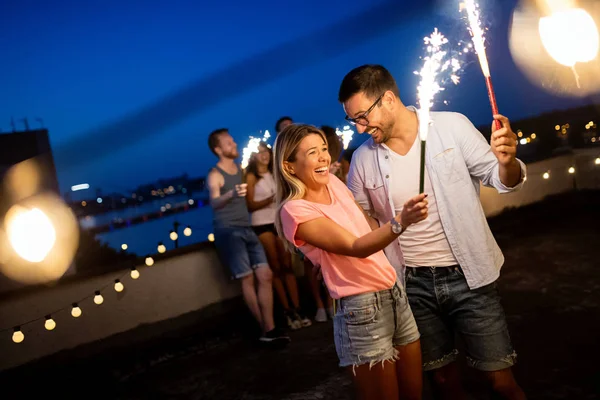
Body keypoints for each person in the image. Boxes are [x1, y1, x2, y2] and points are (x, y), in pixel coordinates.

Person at [338, 64, 527, 399]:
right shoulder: (363, 159)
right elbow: (357, 217)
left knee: (499, 382)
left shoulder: (450, 126)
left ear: (390, 99)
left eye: (364, 116)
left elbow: (501, 180)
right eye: (354, 120)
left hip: (470, 277)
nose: (360, 127)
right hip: (411, 287)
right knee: (442, 383)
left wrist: (508, 161)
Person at [274, 123, 429, 399]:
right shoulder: (294, 210)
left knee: (414, 394)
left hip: (393, 293)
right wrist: (401, 221)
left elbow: (367, 227)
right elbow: (356, 247)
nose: (324, 156)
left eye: (324, 148)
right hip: (362, 309)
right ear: (289, 167)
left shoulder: (334, 182)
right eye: (312, 152)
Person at [207, 128, 290, 346]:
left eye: (233, 140)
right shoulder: (215, 174)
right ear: (218, 149)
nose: (233, 144)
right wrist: (231, 194)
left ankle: (269, 328)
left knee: (265, 274)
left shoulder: (242, 170)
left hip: (247, 228)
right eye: (228, 142)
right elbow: (214, 202)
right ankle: (266, 329)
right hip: (229, 231)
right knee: (247, 278)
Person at [245, 141, 312, 330]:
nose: (264, 155)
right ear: (253, 156)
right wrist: (270, 199)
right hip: (262, 224)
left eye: (265, 151)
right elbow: (249, 205)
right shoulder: (251, 177)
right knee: (275, 267)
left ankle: (298, 308)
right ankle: (287, 311)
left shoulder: (277, 172)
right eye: (259, 152)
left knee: (287, 265)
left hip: (279, 222)